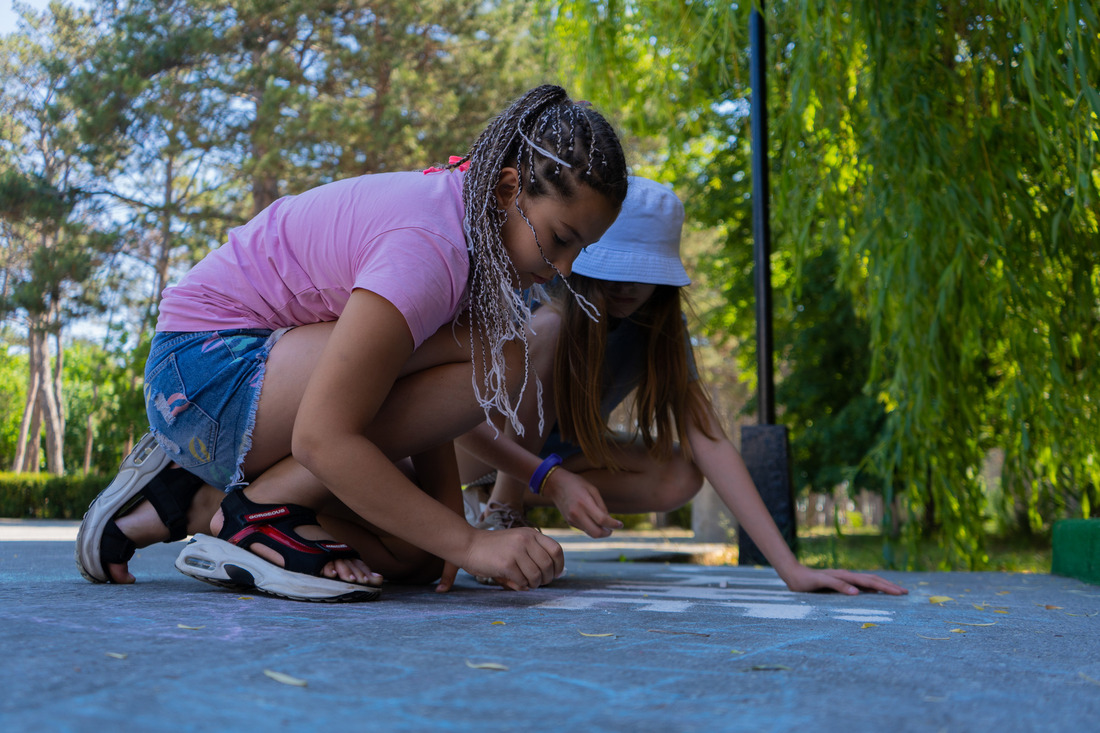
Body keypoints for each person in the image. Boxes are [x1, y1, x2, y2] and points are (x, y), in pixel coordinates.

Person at [74, 85, 629, 602]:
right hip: (202, 369)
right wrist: (472, 543)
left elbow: (420, 399)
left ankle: (189, 501)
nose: (562, 269)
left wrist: (450, 536)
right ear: (510, 188)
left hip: (251, 379)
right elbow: (322, 438)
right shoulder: (430, 246)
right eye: (560, 240)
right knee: (503, 354)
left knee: (410, 553)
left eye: (579, 251)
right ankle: (254, 511)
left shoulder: (467, 220)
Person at [456, 177, 907, 596]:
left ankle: (502, 496)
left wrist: (792, 570)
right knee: (553, 329)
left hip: (551, 460)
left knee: (682, 473)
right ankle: (501, 511)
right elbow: (461, 410)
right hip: (477, 444)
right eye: (614, 268)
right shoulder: (546, 290)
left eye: (642, 270)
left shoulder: (659, 327)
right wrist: (537, 483)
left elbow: (709, 439)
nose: (627, 285)